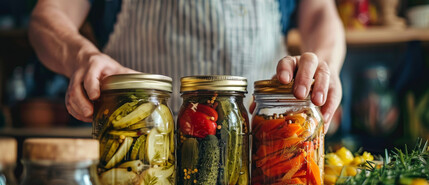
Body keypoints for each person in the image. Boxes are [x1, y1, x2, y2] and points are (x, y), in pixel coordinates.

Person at [28, 0, 345, 132]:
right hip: (132, 164)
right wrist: (81, 57)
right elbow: (48, 15)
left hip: (257, 169)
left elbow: (319, 12)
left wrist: (323, 64)